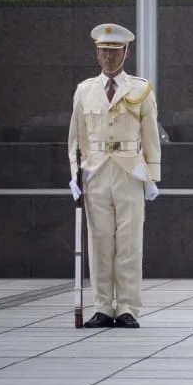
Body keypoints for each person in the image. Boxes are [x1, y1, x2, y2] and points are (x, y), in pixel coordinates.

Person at [67, 23, 161, 328]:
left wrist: (152, 176)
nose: (108, 57)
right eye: (103, 51)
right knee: (100, 240)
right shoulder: (84, 90)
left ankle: (128, 307)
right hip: (95, 170)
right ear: (96, 53)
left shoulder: (140, 89)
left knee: (130, 240)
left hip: (130, 170)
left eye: (114, 51)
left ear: (126, 53)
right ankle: (103, 306)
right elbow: (76, 139)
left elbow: (150, 137)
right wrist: (75, 176)